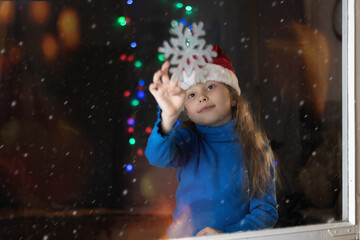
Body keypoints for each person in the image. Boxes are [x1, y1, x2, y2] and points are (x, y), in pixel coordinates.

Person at [145, 45, 278, 238]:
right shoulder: (188, 141)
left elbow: (265, 212)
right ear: (187, 111)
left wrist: (226, 235)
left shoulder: (256, 149)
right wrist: (168, 117)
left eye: (210, 86)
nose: (202, 97)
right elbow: (156, 156)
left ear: (233, 97)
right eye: (191, 95)